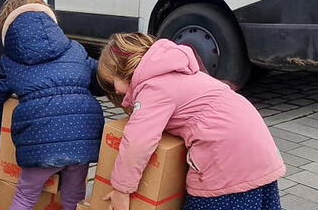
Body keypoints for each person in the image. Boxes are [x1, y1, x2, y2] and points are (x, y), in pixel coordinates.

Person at [97, 34, 285, 210]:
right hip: (261, 155)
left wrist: (122, 189)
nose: (116, 91)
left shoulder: (154, 87)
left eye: (110, 82)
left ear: (122, 69)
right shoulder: (179, 71)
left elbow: (138, 141)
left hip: (227, 164)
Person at [0, 0, 105, 210]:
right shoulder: (75, 49)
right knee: (74, 195)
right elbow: (98, 79)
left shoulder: (10, 61)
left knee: (26, 195)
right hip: (82, 134)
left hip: (40, 138)